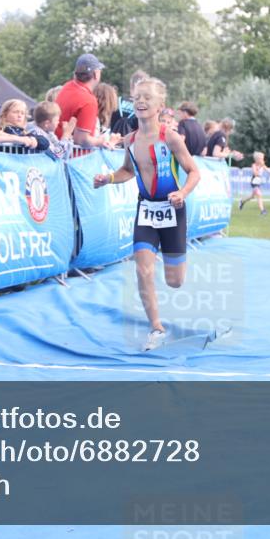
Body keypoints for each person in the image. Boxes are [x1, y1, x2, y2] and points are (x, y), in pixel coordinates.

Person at [93, 77, 200, 351]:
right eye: (137, 97)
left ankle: (172, 260)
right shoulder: (130, 140)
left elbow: (194, 171)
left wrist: (182, 193)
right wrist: (108, 178)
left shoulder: (171, 138)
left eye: (147, 97)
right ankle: (156, 328)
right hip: (146, 210)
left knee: (175, 281)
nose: (141, 101)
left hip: (173, 209)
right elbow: (127, 171)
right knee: (142, 270)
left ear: (160, 106)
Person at [55, 53, 119, 149]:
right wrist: (101, 141)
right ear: (96, 74)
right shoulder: (88, 100)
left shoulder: (67, 86)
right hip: (75, 156)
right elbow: (81, 140)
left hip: (59, 151)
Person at [110, 69, 148, 136]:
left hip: (112, 140)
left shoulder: (117, 100)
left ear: (131, 85)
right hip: (132, 142)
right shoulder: (144, 107)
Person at [239, 151, 270, 215]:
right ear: (257, 159)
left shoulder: (263, 165)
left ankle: (242, 201)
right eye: (261, 159)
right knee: (259, 194)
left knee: (252, 196)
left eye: (263, 158)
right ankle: (262, 210)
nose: (262, 160)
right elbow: (255, 174)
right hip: (254, 182)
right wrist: (259, 168)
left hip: (258, 182)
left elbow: (268, 170)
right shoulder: (254, 165)